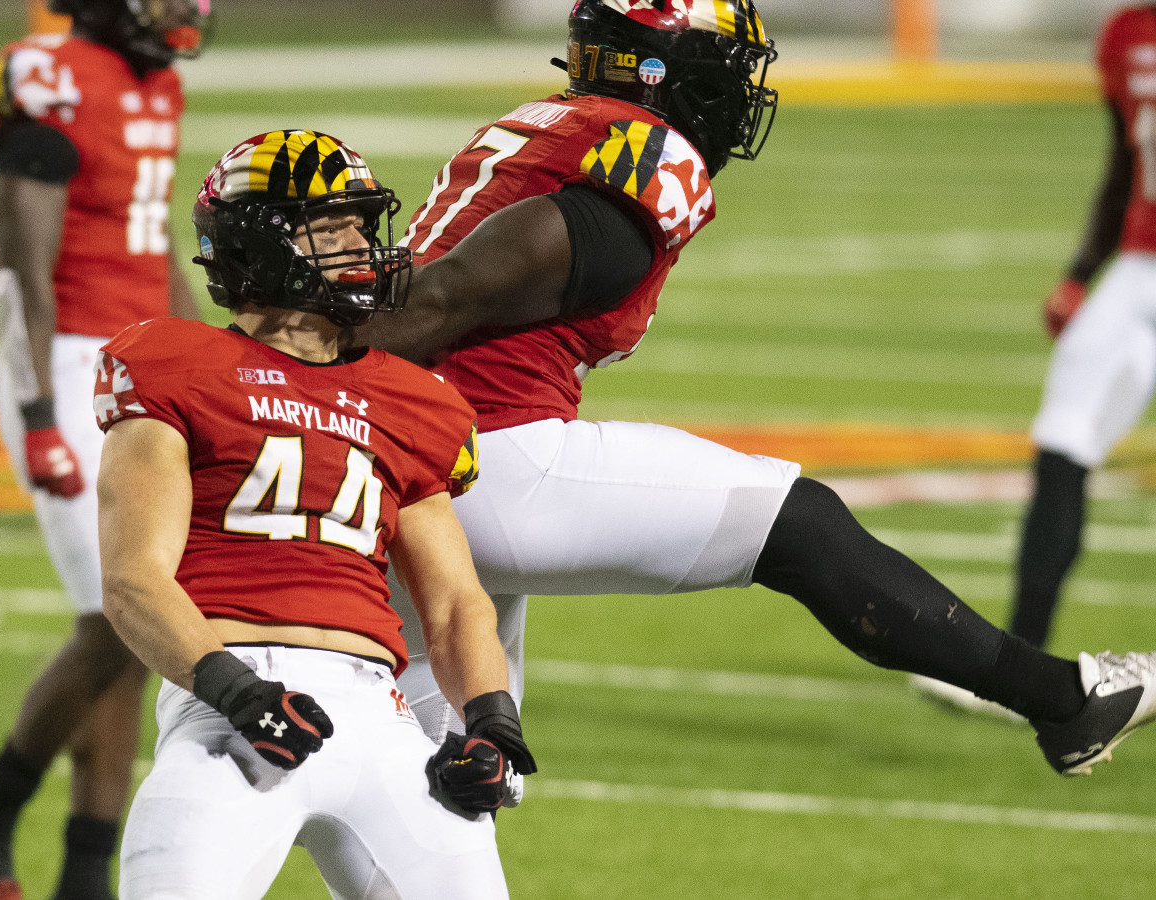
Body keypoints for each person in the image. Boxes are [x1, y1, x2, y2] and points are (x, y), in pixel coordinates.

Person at [346, 0, 1156, 779]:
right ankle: (1065, 698)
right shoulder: (640, 151)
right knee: (796, 522)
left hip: (398, 459)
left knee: (438, 784)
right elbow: (446, 295)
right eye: (725, 70)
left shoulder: (543, 127)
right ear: (663, 67)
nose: (737, 94)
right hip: (479, 457)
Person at [93, 128, 536, 900]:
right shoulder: (174, 365)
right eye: (332, 229)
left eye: (364, 225)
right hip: (230, 702)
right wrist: (237, 693)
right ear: (258, 246)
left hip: (382, 715)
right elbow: (134, 579)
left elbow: (456, 600)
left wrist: (491, 723)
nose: (362, 246)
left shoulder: (416, 400)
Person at [0, 3, 210, 899]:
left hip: (140, 356)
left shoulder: (160, 80)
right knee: (120, 615)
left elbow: (152, 243)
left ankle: (81, 871)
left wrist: (209, 356)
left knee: (126, 630)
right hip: (65, 362)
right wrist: (31, 411)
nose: (186, 8)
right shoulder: (51, 80)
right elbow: (26, 269)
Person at [911, 3, 1156, 717]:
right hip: (1139, 266)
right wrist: (1082, 271)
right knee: (1063, 438)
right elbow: (1125, 160)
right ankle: (1019, 668)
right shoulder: (1127, 31)